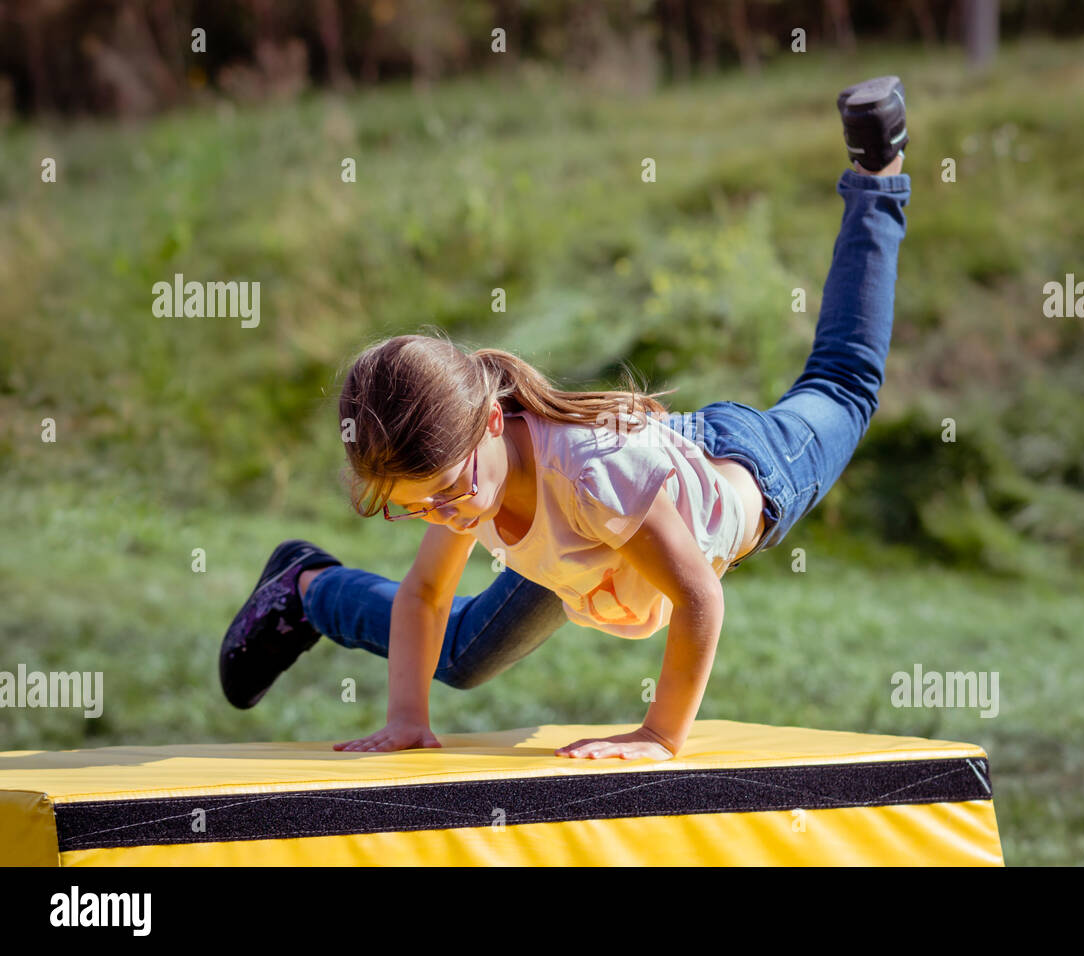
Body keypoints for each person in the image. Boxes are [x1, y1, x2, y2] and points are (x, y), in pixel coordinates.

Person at [220, 76, 911, 761]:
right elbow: (426, 593)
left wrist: (659, 737)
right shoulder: (463, 483)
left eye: (449, 492)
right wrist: (407, 719)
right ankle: (306, 589)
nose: (446, 515)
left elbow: (698, 596)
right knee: (457, 656)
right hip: (588, 539)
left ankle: (876, 172)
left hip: (748, 467)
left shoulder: (592, 475)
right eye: (418, 506)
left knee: (843, 380)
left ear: (491, 423)